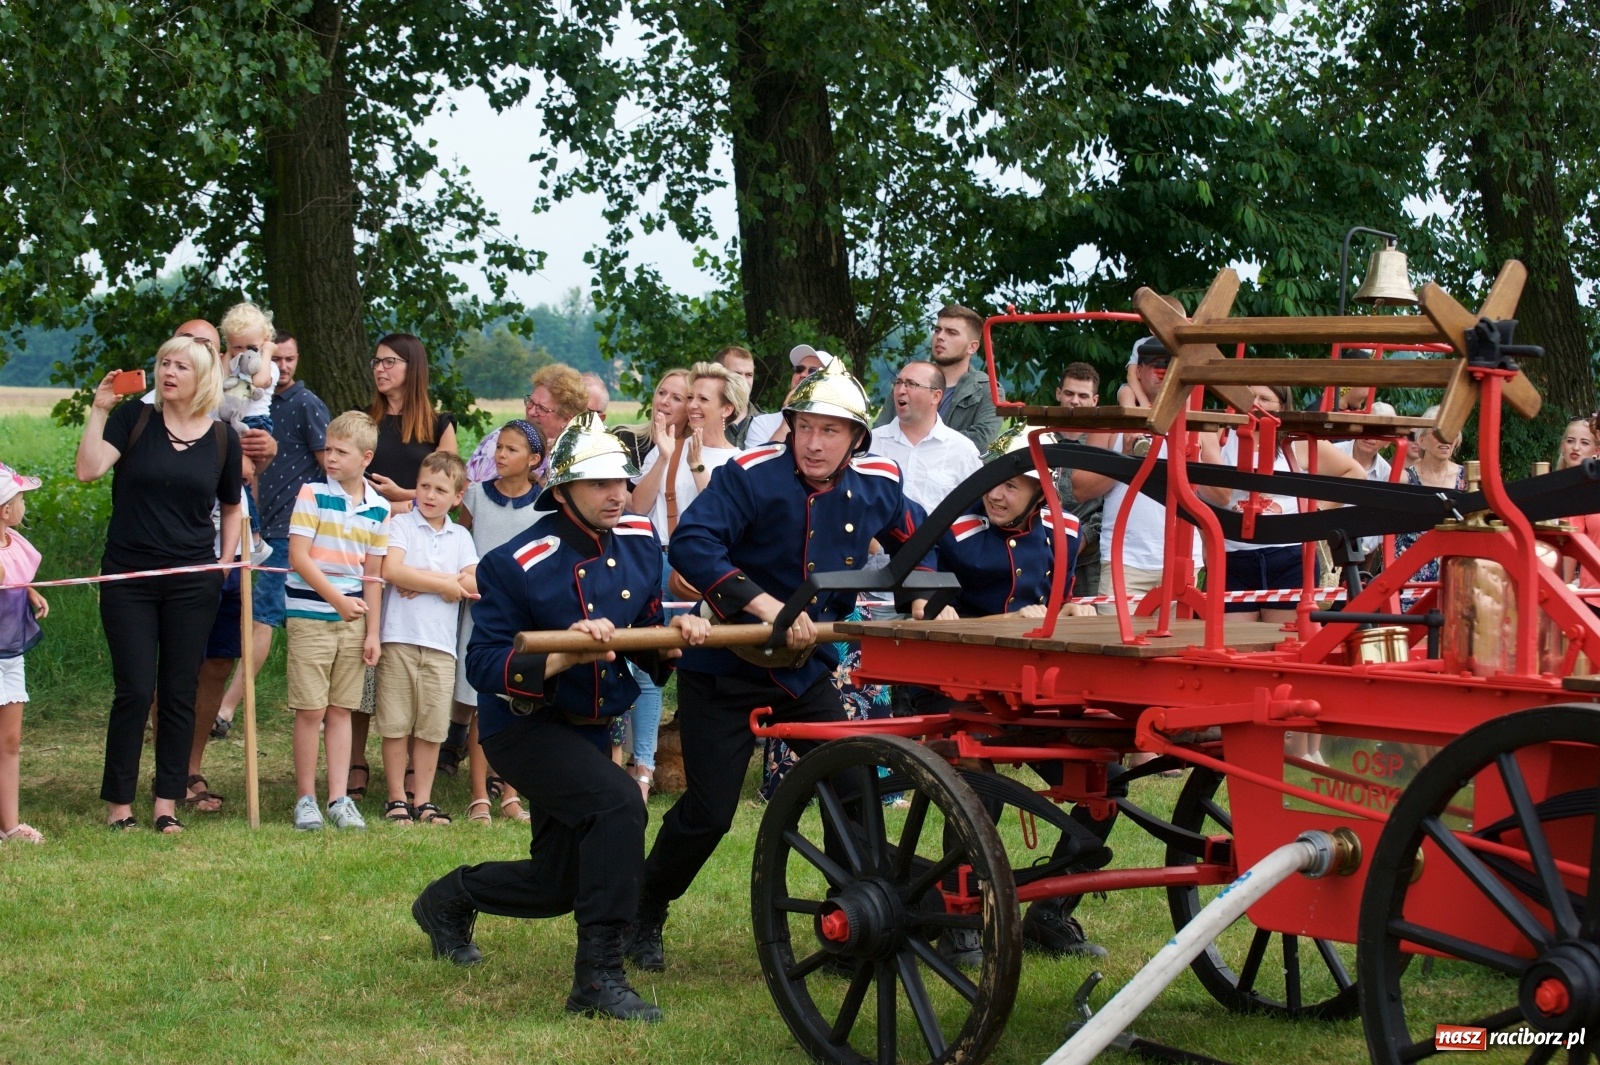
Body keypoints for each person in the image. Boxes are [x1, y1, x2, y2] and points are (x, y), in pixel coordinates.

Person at [627, 359, 930, 972]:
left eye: (831, 431)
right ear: (789, 426)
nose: (814, 444)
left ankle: (859, 921)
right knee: (709, 812)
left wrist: (924, 600)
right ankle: (643, 909)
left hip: (803, 669)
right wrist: (768, 605)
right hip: (726, 668)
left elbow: (917, 548)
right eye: (805, 428)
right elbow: (692, 544)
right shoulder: (748, 474)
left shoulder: (879, 483)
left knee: (853, 793)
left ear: (856, 440)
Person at [411, 413, 712, 1023]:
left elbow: (646, 636)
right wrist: (562, 651)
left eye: (624, 482)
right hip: (524, 727)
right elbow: (486, 663)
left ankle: (448, 898)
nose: (618, 495)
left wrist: (675, 635)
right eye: (601, 483)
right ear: (564, 488)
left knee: (557, 884)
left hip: (593, 727)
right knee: (619, 804)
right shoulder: (517, 561)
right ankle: (598, 980)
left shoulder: (636, 543)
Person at [912, 428, 1105, 962]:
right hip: (957, 690)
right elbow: (920, 581)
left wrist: (1072, 612)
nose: (997, 495)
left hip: (1033, 692)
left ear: (1043, 493)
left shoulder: (1065, 530)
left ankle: (1051, 913)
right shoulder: (953, 526)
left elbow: (1062, 602)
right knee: (985, 796)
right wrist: (934, 604)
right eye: (995, 482)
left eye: (1014, 486)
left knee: (1103, 789)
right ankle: (959, 918)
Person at [76, 334, 243, 833]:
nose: (168, 372)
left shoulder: (221, 438)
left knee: (178, 692)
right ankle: (119, 807)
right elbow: (88, 471)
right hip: (128, 576)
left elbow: (232, 507)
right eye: (163, 363)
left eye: (181, 367)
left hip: (193, 581)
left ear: (201, 378)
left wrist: (223, 564)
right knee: (133, 689)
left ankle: (166, 803)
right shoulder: (134, 420)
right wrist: (100, 409)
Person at [625, 361, 749, 800]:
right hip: (652, 561)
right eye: (689, 397)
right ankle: (640, 766)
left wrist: (698, 468)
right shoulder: (668, 448)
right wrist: (665, 455)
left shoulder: (740, 462)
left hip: (709, 573)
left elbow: (735, 522)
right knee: (640, 665)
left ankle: (701, 767)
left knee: (702, 671)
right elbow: (637, 509)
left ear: (728, 410)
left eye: (701, 399)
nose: (691, 405)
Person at [209, 330, 330, 740]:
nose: (282, 367)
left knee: (262, 616)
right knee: (244, 614)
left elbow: (330, 466)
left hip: (288, 528)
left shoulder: (307, 405)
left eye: (290, 359)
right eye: (274, 358)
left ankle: (225, 708)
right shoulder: (242, 396)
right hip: (245, 519)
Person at [353, 333, 456, 798]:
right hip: (368, 549)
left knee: (410, 670)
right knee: (364, 661)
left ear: (412, 367)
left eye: (390, 362)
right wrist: (388, 507)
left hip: (420, 553)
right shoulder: (366, 422)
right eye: (376, 362)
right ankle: (357, 762)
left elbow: (455, 488)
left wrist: (403, 498)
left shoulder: (438, 424)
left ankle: (417, 774)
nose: (380, 369)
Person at [285, 411, 389, 831]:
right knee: (310, 710)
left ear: (365, 458)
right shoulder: (311, 493)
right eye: (328, 449)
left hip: (355, 622)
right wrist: (336, 601)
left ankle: (339, 799)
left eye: (341, 452)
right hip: (311, 615)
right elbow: (298, 557)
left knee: (342, 709)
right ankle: (305, 798)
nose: (330, 457)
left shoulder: (379, 508)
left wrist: (373, 632)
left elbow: (374, 576)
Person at [378, 451, 478, 825]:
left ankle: (423, 799)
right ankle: (395, 797)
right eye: (424, 486)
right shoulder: (402, 524)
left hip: (440, 646)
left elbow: (473, 581)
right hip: (399, 637)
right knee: (396, 722)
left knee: (432, 727)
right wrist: (444, 584)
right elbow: (392, 569)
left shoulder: (460, 536)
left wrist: (422, 581)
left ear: (457, 496)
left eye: (440, 489)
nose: (430, 495)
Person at [452, 421, 545, 824]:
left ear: (534, 460)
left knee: (521, 703)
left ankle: (511, 793)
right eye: (499, 448)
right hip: (481, 612)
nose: (500, 455)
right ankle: (478, 796)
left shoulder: (545, 502)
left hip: (526, 619)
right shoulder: (473, 495)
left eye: (511, 450)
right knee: (479, 702)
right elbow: (458, 543)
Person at [871, 304, 1003, 451]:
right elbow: (879, 431)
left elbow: (982, 439)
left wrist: (924, 447)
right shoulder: (907, 380)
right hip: (896, 469)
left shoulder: (987, 389)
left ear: (972, 347)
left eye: (951, 333)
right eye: (937, 330)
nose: (940, 337)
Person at [0, 463, 47, 843]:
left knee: (10, 740)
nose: (23, 507)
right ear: (4, 510)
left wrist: (29, 592)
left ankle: (10, 825)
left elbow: (19, 577)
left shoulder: (15, 544)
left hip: (11, 653)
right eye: (20, 500)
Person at [867, 358, 982, 513]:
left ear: (935, 396)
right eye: (898, 382)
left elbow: (974, 513)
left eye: (911, 384)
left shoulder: (962, 451)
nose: (901, 390)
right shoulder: (871, 443)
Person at [745, 345, 833, 445]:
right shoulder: (762, 423)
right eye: (799, 369)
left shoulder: (838, 428)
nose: (803, 374)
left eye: (813, 371)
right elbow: (761, 461)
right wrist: (789, 417)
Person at [716, 346, 761, 447]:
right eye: (737, 374)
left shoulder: (766, 423)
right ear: (718, 374)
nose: (744, 381)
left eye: (749, 375)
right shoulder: (704, 419)